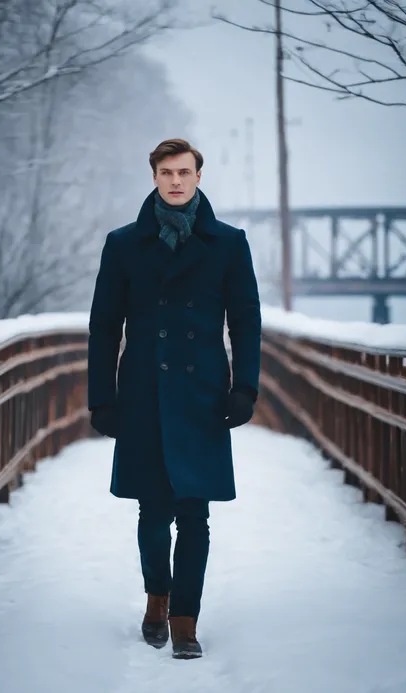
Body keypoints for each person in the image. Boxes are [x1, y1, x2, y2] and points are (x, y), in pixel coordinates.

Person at [88, 138, 261, 660]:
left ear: (199, 176)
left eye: (185, 171)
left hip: (202, 394)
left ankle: (185, 619)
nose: (176, 181)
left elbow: (246, 324)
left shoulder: (229, 243)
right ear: (155, 176)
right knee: (151, 509)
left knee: (195, 513)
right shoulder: (123, 244)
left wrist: (245, 387)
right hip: (143, 391)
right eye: (167, 172)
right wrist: (102, 397)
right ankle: (157, 599)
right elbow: (103, 328)